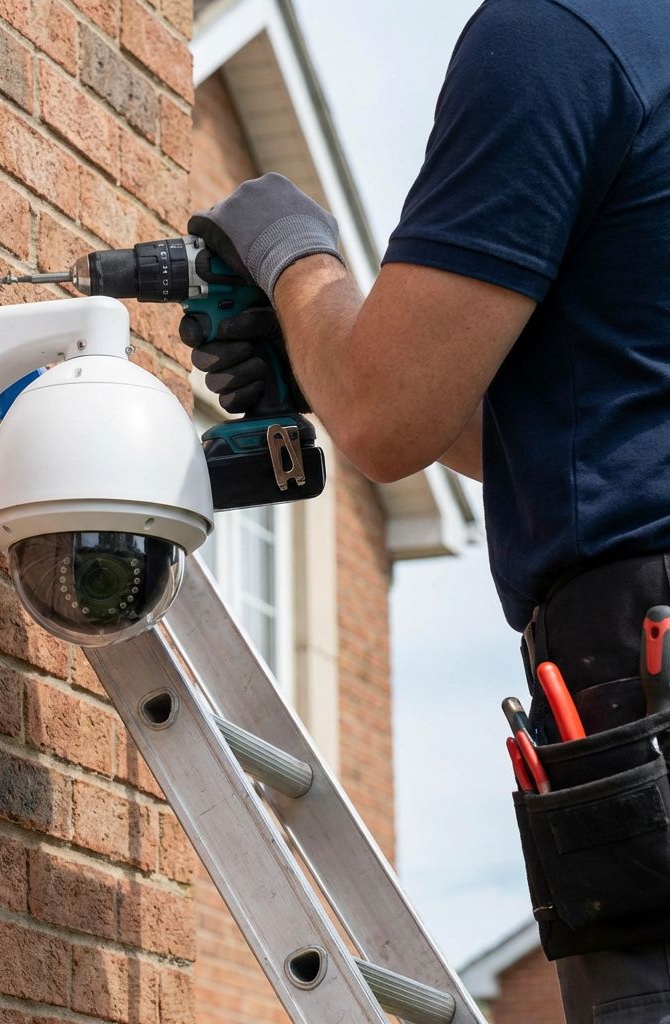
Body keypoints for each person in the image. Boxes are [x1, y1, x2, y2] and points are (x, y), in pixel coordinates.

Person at [181, 1, 670, 1021]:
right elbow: (561, 433)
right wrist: (321, 358)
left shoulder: (556, 36)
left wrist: (289, 252)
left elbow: (386, 411)